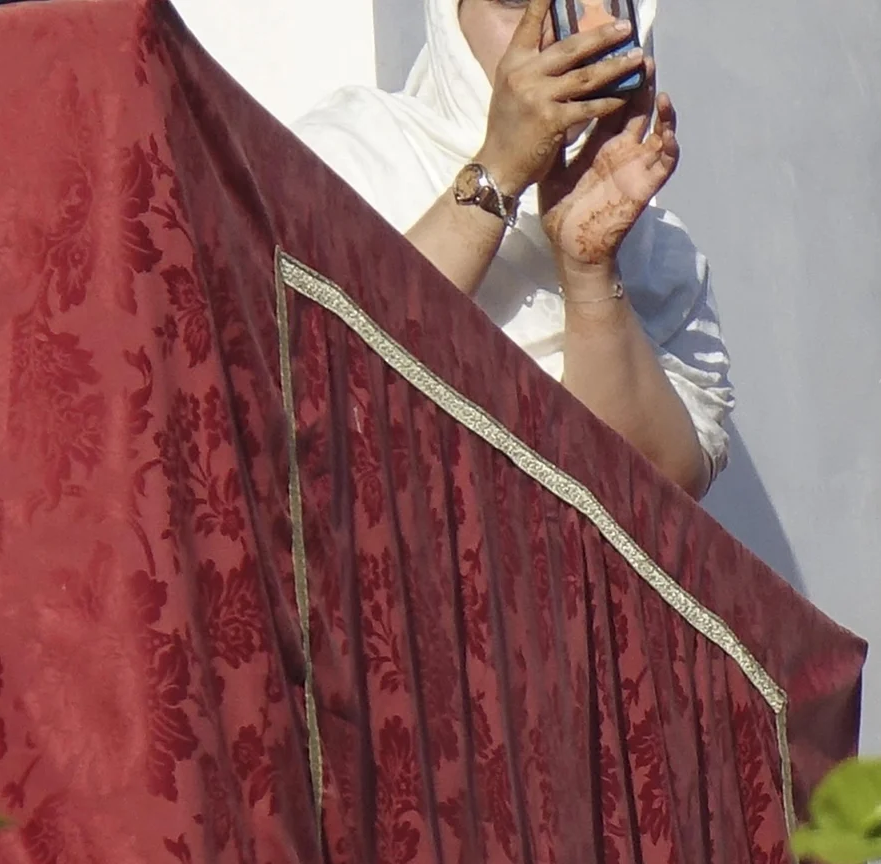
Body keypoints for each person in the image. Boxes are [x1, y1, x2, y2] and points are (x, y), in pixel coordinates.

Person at [292, 0, 733, 498]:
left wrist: (587, 268)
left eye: (579, 5)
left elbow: (655, 506)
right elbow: (316, 368)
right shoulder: (352, 151)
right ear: (451, 22)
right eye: (515, 3)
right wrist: (500, 170)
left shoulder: (665, 260)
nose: (549, 36)